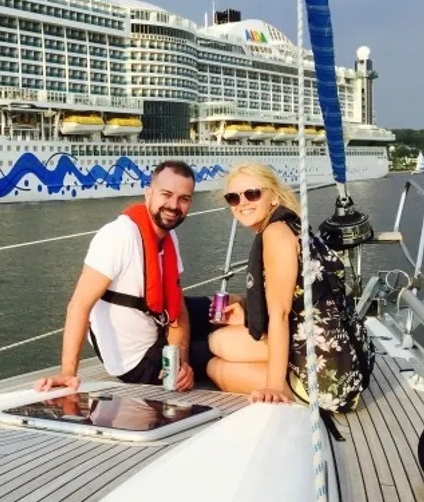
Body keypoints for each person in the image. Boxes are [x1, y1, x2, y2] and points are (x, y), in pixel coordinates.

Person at [34, 160, 214, 393]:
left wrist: (182, 360)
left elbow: (177, 309)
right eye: (166, 195)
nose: (174, 205)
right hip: (139, 362)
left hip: (159, 331)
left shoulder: (168, 236)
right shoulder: (119, 236)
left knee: (231, 309)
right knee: (230, 348)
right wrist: (68, 373)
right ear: (148, 194)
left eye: (184, 199)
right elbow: (79, 305)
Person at [207, 163, 374, 411]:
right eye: (233, 197)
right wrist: (244, 306)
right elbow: (298, 295)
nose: (242, 203)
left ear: (273, 195)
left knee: (217, 355)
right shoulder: (292, 225)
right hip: (346, 358)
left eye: (252, 193)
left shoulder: (274, 234)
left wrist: (273, 387)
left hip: (328, 380)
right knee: (220, 343)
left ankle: (291, 391)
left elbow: (282, 313)